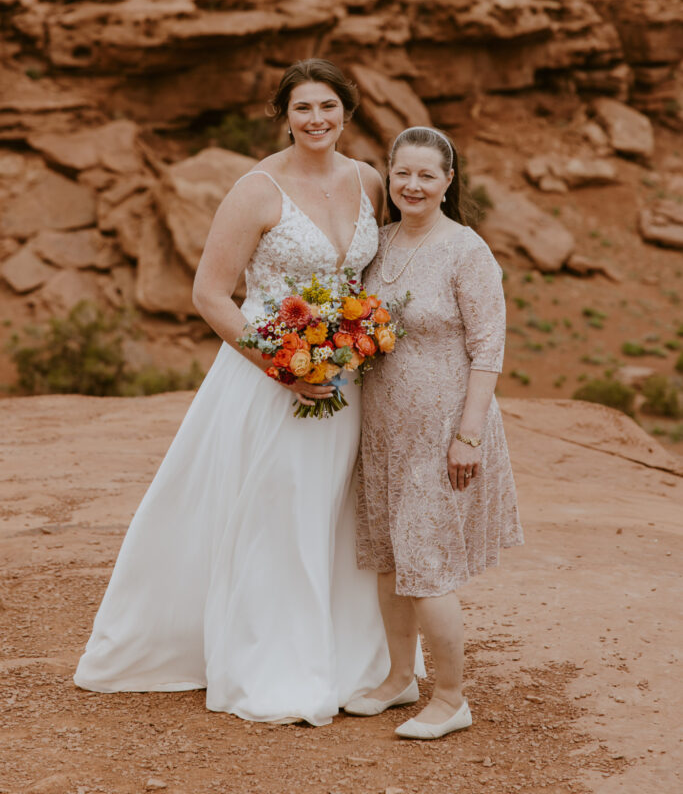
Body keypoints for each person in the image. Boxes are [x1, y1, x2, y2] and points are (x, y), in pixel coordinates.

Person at [74, 58, 392, 726]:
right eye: (302, 108)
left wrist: (362, 341)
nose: (316, 120)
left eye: (328, 107)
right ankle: (271, 661)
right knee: (276, 513)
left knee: (339, 514)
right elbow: (209, 293)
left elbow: (371, 279)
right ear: (282, 113)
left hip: (348, 379)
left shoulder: (367, 180)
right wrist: (282, 367)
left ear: (347, 112)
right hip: (270, 380)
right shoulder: (255, 190)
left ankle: (350, 658)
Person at [345, 126, 524, 739]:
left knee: (427, 562)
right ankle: (399, 680)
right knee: (391, 560)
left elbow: (488, 347)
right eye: (403, 174)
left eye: (428, 175)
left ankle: (451, 699)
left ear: (449, 182)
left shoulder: (468, 251)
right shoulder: (381, 241)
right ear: (389, 177)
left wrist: (467, 435)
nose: (413, 185)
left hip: (445, 430)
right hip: (385, 429)